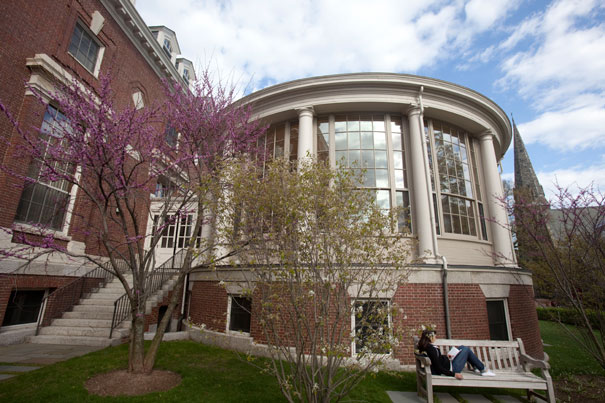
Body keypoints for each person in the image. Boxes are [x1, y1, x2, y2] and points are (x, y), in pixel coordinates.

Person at [417, 329, 495, 379]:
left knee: (462, 347)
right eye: (434, 336)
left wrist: (447, 357)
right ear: (430, 338)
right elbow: (438, 367)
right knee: (466, 350)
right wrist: (454, 374)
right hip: (452, 369)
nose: (436, 337)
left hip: (449, 364)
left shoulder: (429, 347)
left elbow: (437, 358)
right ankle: (483, 370)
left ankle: (477, 367)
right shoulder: (431, 349)